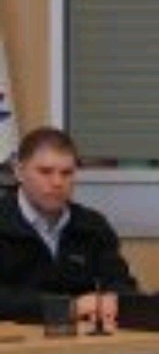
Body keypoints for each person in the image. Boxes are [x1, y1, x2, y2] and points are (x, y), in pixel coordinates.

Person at [0, 127, 138, 323]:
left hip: (84, 338)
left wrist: (111, 301)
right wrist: (69, 308)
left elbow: (121, 285)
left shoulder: (92, 226)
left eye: (67, 173)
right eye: (45, 172)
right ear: (19, 172)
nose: (57, 182)